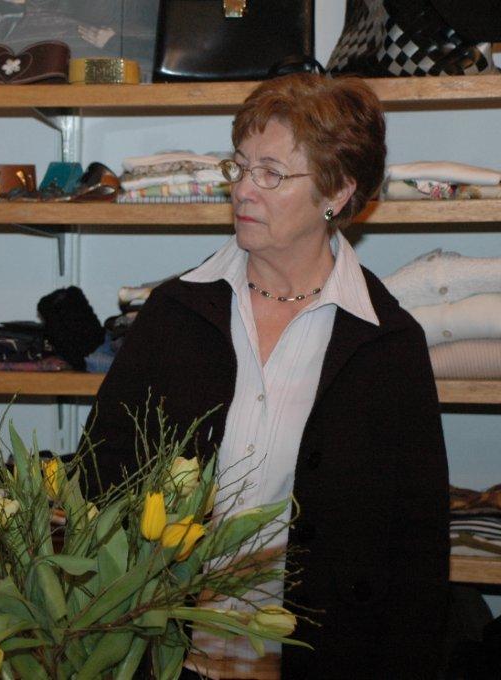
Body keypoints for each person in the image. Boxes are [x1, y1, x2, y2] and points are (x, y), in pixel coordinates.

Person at [85, 73, 449, 679]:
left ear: (337, 192)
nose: (243, 190)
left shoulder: (386, 343)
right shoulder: (175, 313)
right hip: (162, 660)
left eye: (272, 173)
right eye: (240, 166)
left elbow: (416, 550)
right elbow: (100, 476)